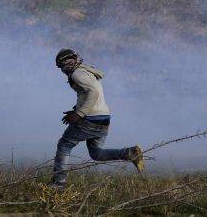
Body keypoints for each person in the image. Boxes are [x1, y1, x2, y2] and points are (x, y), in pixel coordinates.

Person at [51, 48, 144, 188]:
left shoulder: (77, 74)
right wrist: (75, 110)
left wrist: (79, 114)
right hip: (103, 118)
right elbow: (88, 95)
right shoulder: (87, 72)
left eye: (61, 66)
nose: (61, 70)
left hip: (89, 118)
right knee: (96, 153)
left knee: (64, 145)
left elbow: (93, 93)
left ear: (68, 63)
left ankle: (58, 183)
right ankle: (130, 153)